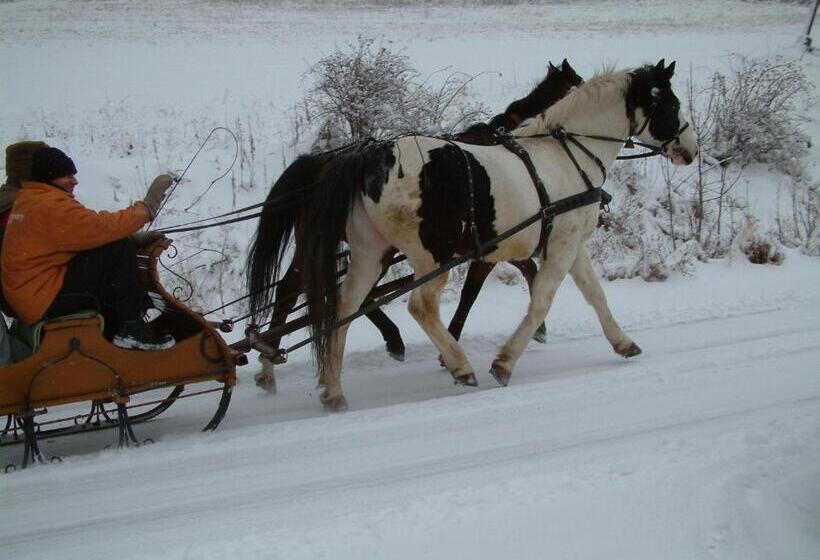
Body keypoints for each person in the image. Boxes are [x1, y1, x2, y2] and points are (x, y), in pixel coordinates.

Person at [1, 146, 175, 350]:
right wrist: (147, 207)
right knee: (117, 247)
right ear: (49, 177)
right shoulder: (48, 205)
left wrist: (132, 238)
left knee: (112, 246)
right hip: (42, 297)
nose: (74, 181)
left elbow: (84, 234)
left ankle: (121, 328)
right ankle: (131, 328)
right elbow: (103, 227)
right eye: (67, 176)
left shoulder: (31, 199)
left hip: (34, 294)